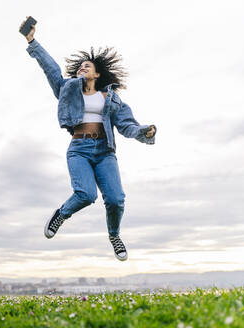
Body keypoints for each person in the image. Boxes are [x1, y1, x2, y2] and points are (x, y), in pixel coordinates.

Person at [19, 18, 157, 261]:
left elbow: (126, 125)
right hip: (79, 149)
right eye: (79, 66)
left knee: (116, 199)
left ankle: (114, 235)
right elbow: (51, 68)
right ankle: (61, 214)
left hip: (105, 151)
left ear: (98, 73)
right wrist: (32, 41)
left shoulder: (111, 98)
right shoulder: (68, 89)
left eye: (87, 66)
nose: (81, 68)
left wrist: (143, 131)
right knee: (86, 194)